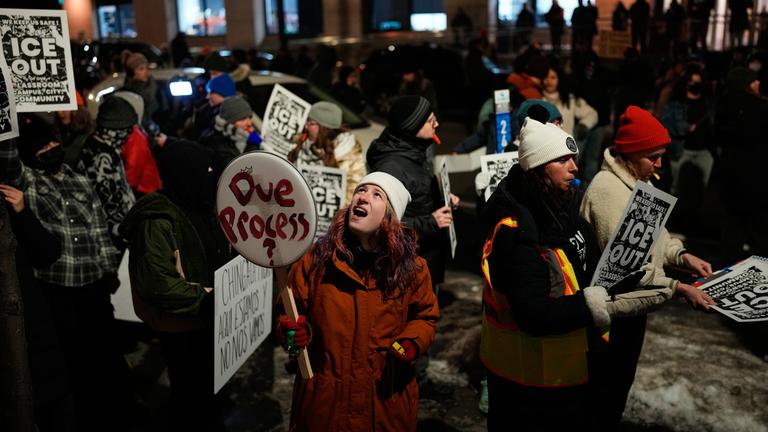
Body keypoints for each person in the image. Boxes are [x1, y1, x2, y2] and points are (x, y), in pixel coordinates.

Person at [480, 117, 674, 431]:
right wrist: (592, 303)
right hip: (526, 384)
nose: (574, 166)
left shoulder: (561, 207)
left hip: (562, 374)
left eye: (573, 158)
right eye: (562, 159)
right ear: (539, 167)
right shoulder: (517, 233)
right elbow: (533, 314)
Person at [580, 105, 715, 428]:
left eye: (661, 155)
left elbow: (658, 240)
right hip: (608, 315)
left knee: (617, 388)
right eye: (652, 156)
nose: (659, 163)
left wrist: (682, 257)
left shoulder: (643, 183)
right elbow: (630, 265)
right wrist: (678, 288)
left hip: (633, 308)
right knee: (602, 394)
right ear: (629, 153)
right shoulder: (607, 191)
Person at [278, 171, 439, 431]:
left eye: (376, 195)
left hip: (384, 403)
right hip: (323, 402)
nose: (363, 198)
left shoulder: (413, 269)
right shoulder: (317, 260)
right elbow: (289, 310)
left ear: (390, 216)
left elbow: (425, 316)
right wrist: (291, 331)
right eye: (360, 191)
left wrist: (410, 342)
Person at [1, 115, 130, 430]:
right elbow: (8, 158)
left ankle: (115, 414)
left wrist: (108, 269)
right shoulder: (28, 181)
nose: (52, 148)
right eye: (43, 146)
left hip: (94, 286)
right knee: (74, 363)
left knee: (106, 356)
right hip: (57, 288)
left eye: (53, 142)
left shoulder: (79, 178)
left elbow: (98, 227)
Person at [119, 139, 231, 431]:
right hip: (183, 326)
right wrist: (209, 297)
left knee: (209, 392)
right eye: (206, 171)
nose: (212, 177)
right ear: (187, 175)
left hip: (207, 320)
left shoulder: (201, 205)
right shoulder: (157, 220)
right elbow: (157, 283)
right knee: (191, 395)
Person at [367, 95, 459, 288]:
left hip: (423, 257)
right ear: (413, 127)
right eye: (430, 121)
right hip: (406, 266)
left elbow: (416, 191)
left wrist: (440, 195)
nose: (436, 124)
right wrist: (431, 223)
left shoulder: (413, 150)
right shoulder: (391, 166)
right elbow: (381, 225)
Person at [715, 67, 768, 259]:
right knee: (759, 232)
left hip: (731, 177)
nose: (758, 83)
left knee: (732, 230)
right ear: (747, 83)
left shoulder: (723, 106)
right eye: (754, 81)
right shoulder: (760, 108)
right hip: (757, 179)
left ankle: (728, 271)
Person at [76, 96, 138, 249]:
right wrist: (123, 230)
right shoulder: (100, 156)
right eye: (126, 129)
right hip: (111, 237)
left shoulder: (106, 148)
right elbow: (107, 200)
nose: (129, 134)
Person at [287, 101, 366, 205]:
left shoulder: (349, 154)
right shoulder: (300, 142)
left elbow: (355, 191)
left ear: (324, 128)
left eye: (311, 123)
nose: (306, 126)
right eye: (307, 121)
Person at [113, 90, 163, 197]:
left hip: (145, 190)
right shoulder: (129, 132)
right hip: (141, 188)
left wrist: (121, 190)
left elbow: (133, 168)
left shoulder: (134, 136)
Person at [200, 95, 262, 173]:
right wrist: (252, 146)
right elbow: (239, 172)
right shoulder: (216, 143)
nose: (249, 123)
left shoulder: (241, 136)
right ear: (230, 122)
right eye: (243, 119)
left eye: (249, 117)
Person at [541, 65, 598, 139]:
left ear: (559, 79)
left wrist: (584, 125)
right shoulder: (537, 99)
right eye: (546, 77)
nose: (549, 81)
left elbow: (592, 113)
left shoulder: (569, 99)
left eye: (553, 77)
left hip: (565, 146)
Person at [122, 50, 162, 134]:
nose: (146, 71)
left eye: (146, 68)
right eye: (141, 69)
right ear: (132, 73)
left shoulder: (155, 87)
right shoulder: (128, 93)